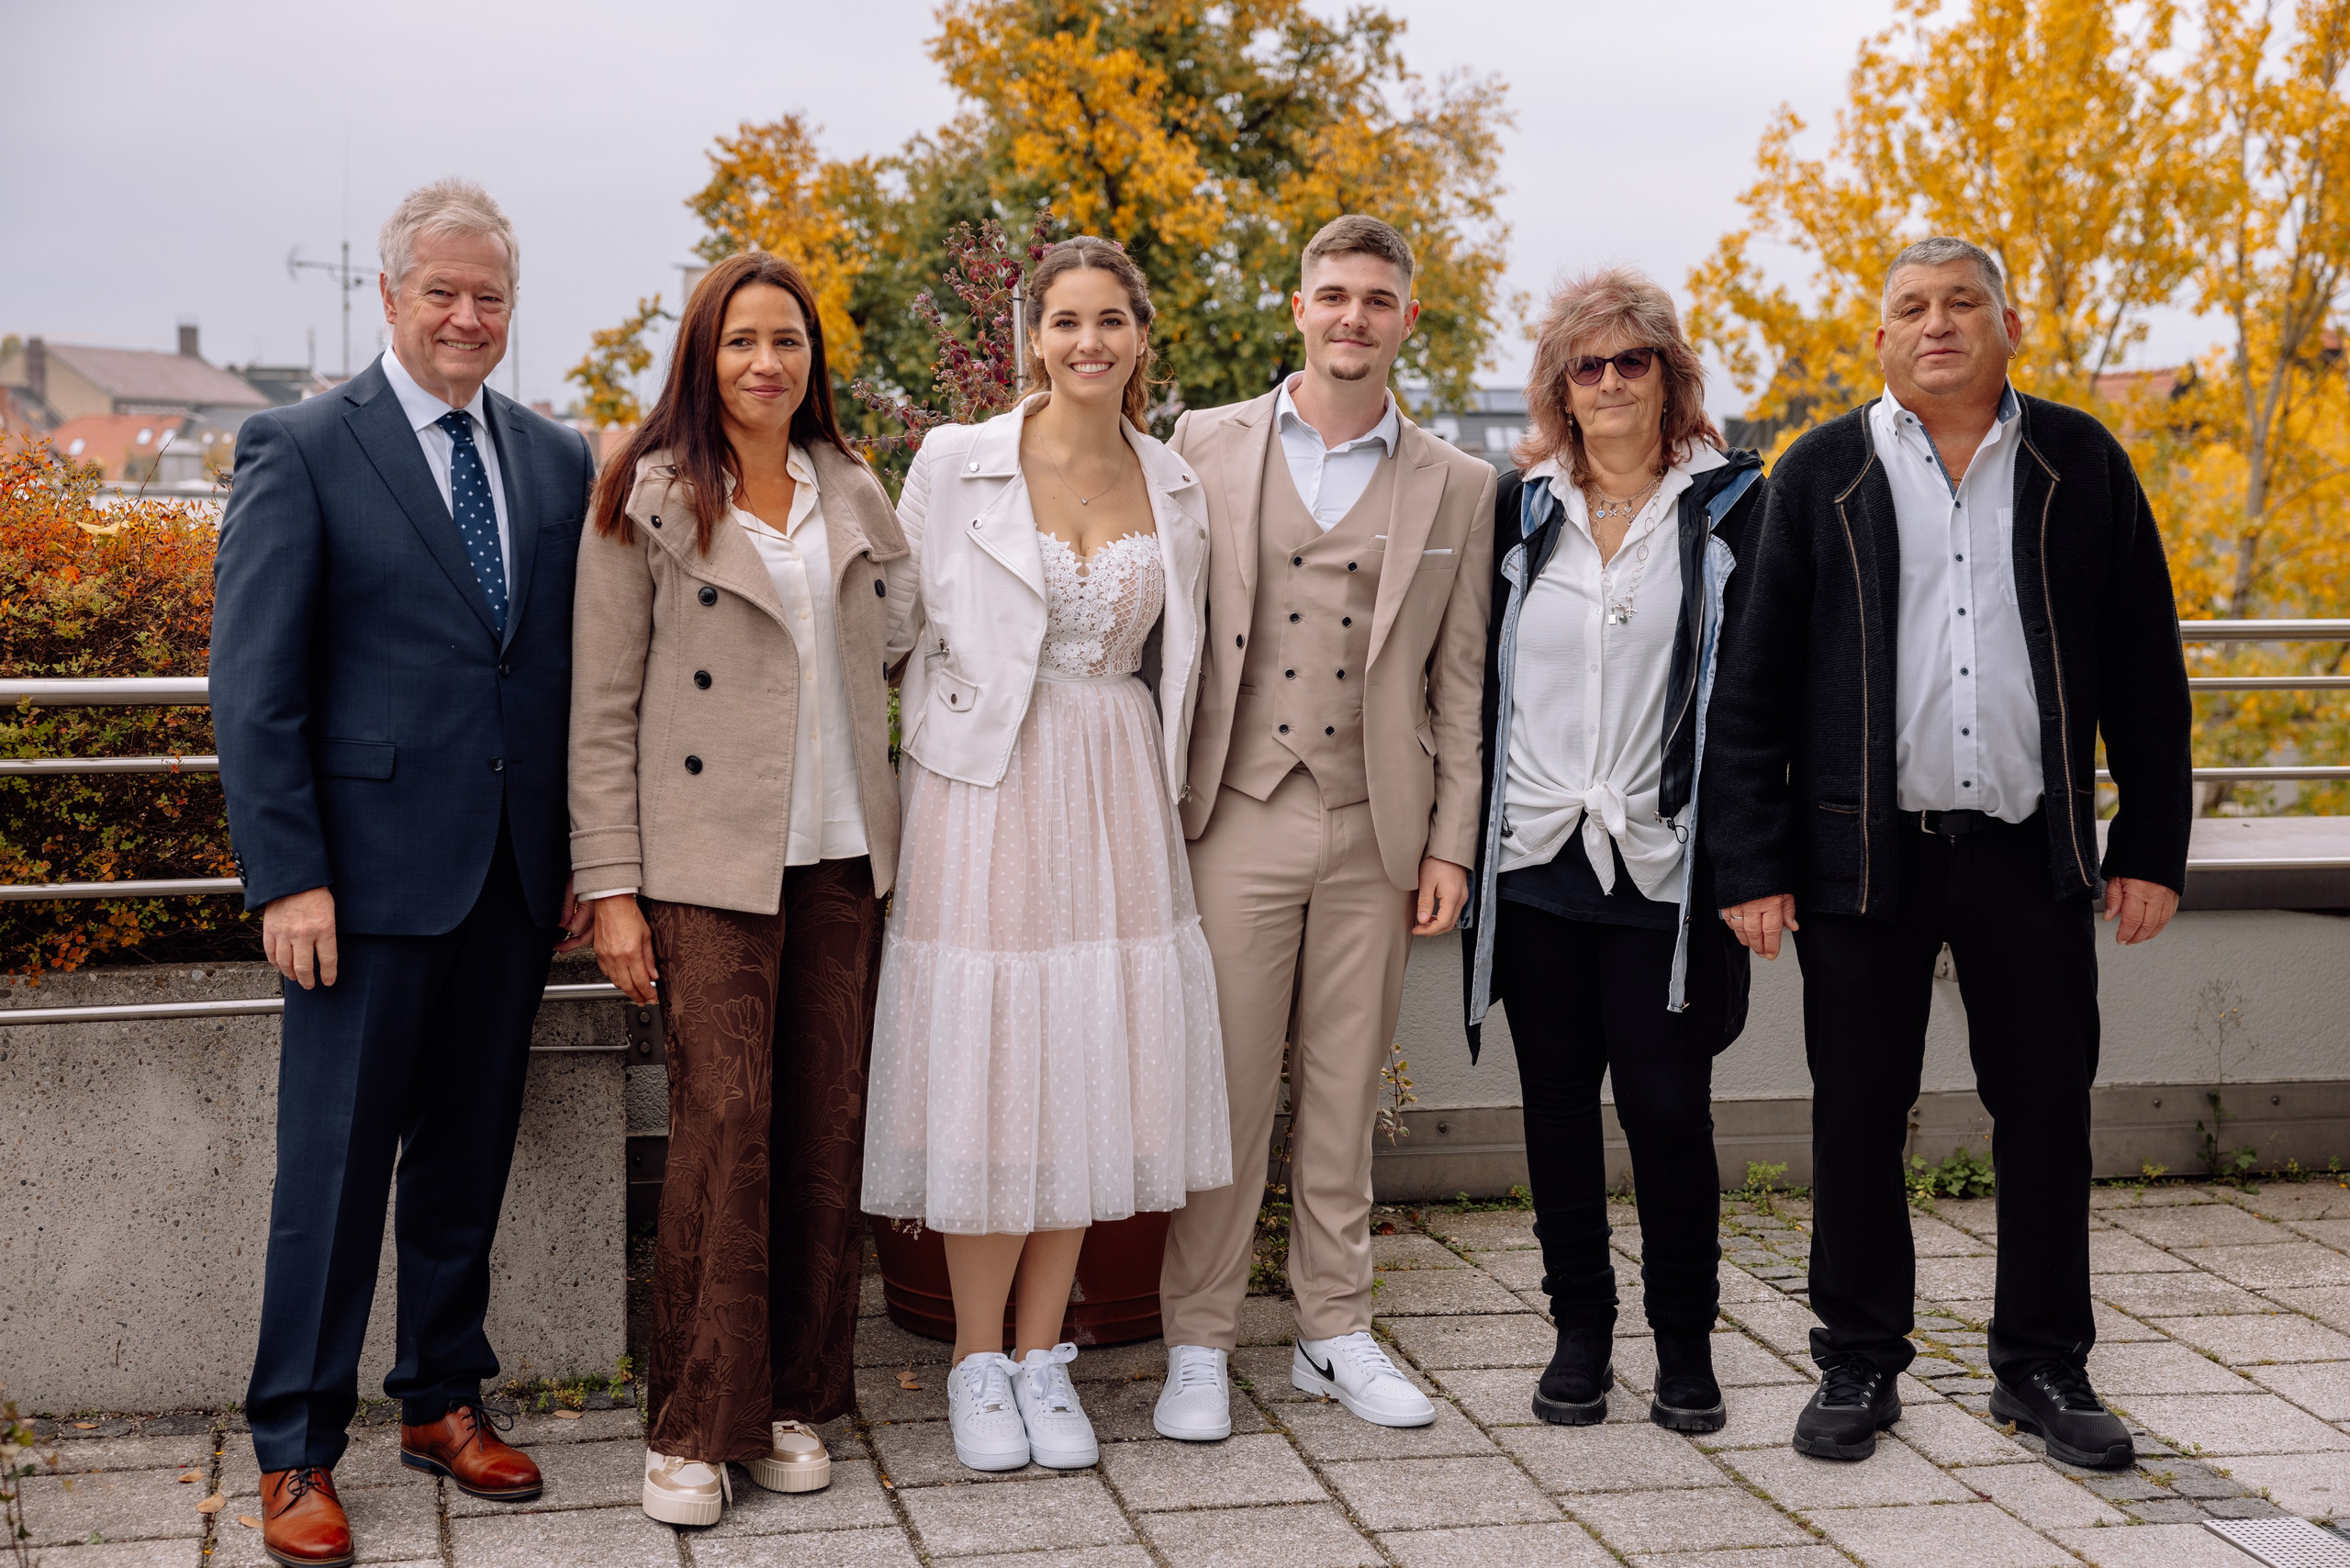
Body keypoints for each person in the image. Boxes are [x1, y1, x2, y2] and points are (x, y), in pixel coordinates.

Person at [1708, 237, 2191, 1467]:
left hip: (2029, 852)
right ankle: (1858, 1360)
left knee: (2046, 1113)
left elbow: (2145, 666)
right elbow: (1752, 684)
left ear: (2007, 326)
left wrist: (2151, 842)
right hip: (1860, 858)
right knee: (1856, 1112)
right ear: (1880, 339)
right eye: (1913, 307)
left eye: (1962, 302)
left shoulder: (2080, 461)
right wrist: (1751, 860)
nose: (1938, 323)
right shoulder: (1821, 471)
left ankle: (2042, 1365)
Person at [211, 178, 595, 1566]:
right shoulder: (303, 445)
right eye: (442, 291)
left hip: (509, 878)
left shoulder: (555, 459)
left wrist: (577, 854)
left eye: (490, 295)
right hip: (357, 892)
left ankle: (438, 1397)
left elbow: (563, 672)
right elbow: (254, 686)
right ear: (389, 298)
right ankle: (295, 1449)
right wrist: (287, 876)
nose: (467, 317)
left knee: (466, 1157)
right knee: (332, 1173)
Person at [861, 237, 1230, 1474]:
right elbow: (890, 624)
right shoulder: (954, 459)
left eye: (1110, 320)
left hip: (1117, 777)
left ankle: (1040, 1355)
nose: (1089, 341)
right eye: (1066, 320)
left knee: (1086, 1053)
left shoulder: (1173, 479)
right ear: (1033, 335)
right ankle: (974, 1360)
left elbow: (1187, 650)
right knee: (993, 1058)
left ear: (1141, 335)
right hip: (985, 785)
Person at [569, 252, 911, 1525]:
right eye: (741, 341)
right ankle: (692, 1425)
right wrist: (611, 887)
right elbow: (601, 709)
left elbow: (909, 636)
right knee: (723, 1128)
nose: (768, 363)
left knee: (825, 1125)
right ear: (701, 357)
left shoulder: (852, 486)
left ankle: (792, 1401)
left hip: (844, 854)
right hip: (707, 865)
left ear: (814, 359)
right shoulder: (645, 493)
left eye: (789, 341)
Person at [1154, 215, 1495, 1443]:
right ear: (1299, 307)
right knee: (1227, 1092)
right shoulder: (1200, 443)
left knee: (1346, 1096)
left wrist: (1451, 841)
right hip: (1233, 813)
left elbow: (1462, 682)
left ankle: (1332, 1331)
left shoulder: (1461, 482)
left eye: (1378, 298)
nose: (1354, 316)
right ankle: (1198, 1340)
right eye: (1335, 294)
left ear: (1408, 318)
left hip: (1374, 823)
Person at [1459, 268, 1762, 1432]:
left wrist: (1755, 858)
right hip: (1533, 860)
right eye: (1587, 366)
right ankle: (1579, 1331)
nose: (1611, 382)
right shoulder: (1518, 510)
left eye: (1634, 360)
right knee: (1554, 1110)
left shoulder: (1730, 508)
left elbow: (1759, 699)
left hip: (1662, 866)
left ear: (1670, 378)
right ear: (1560, 390)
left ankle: (1684, 1342)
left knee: (1667, 1110)